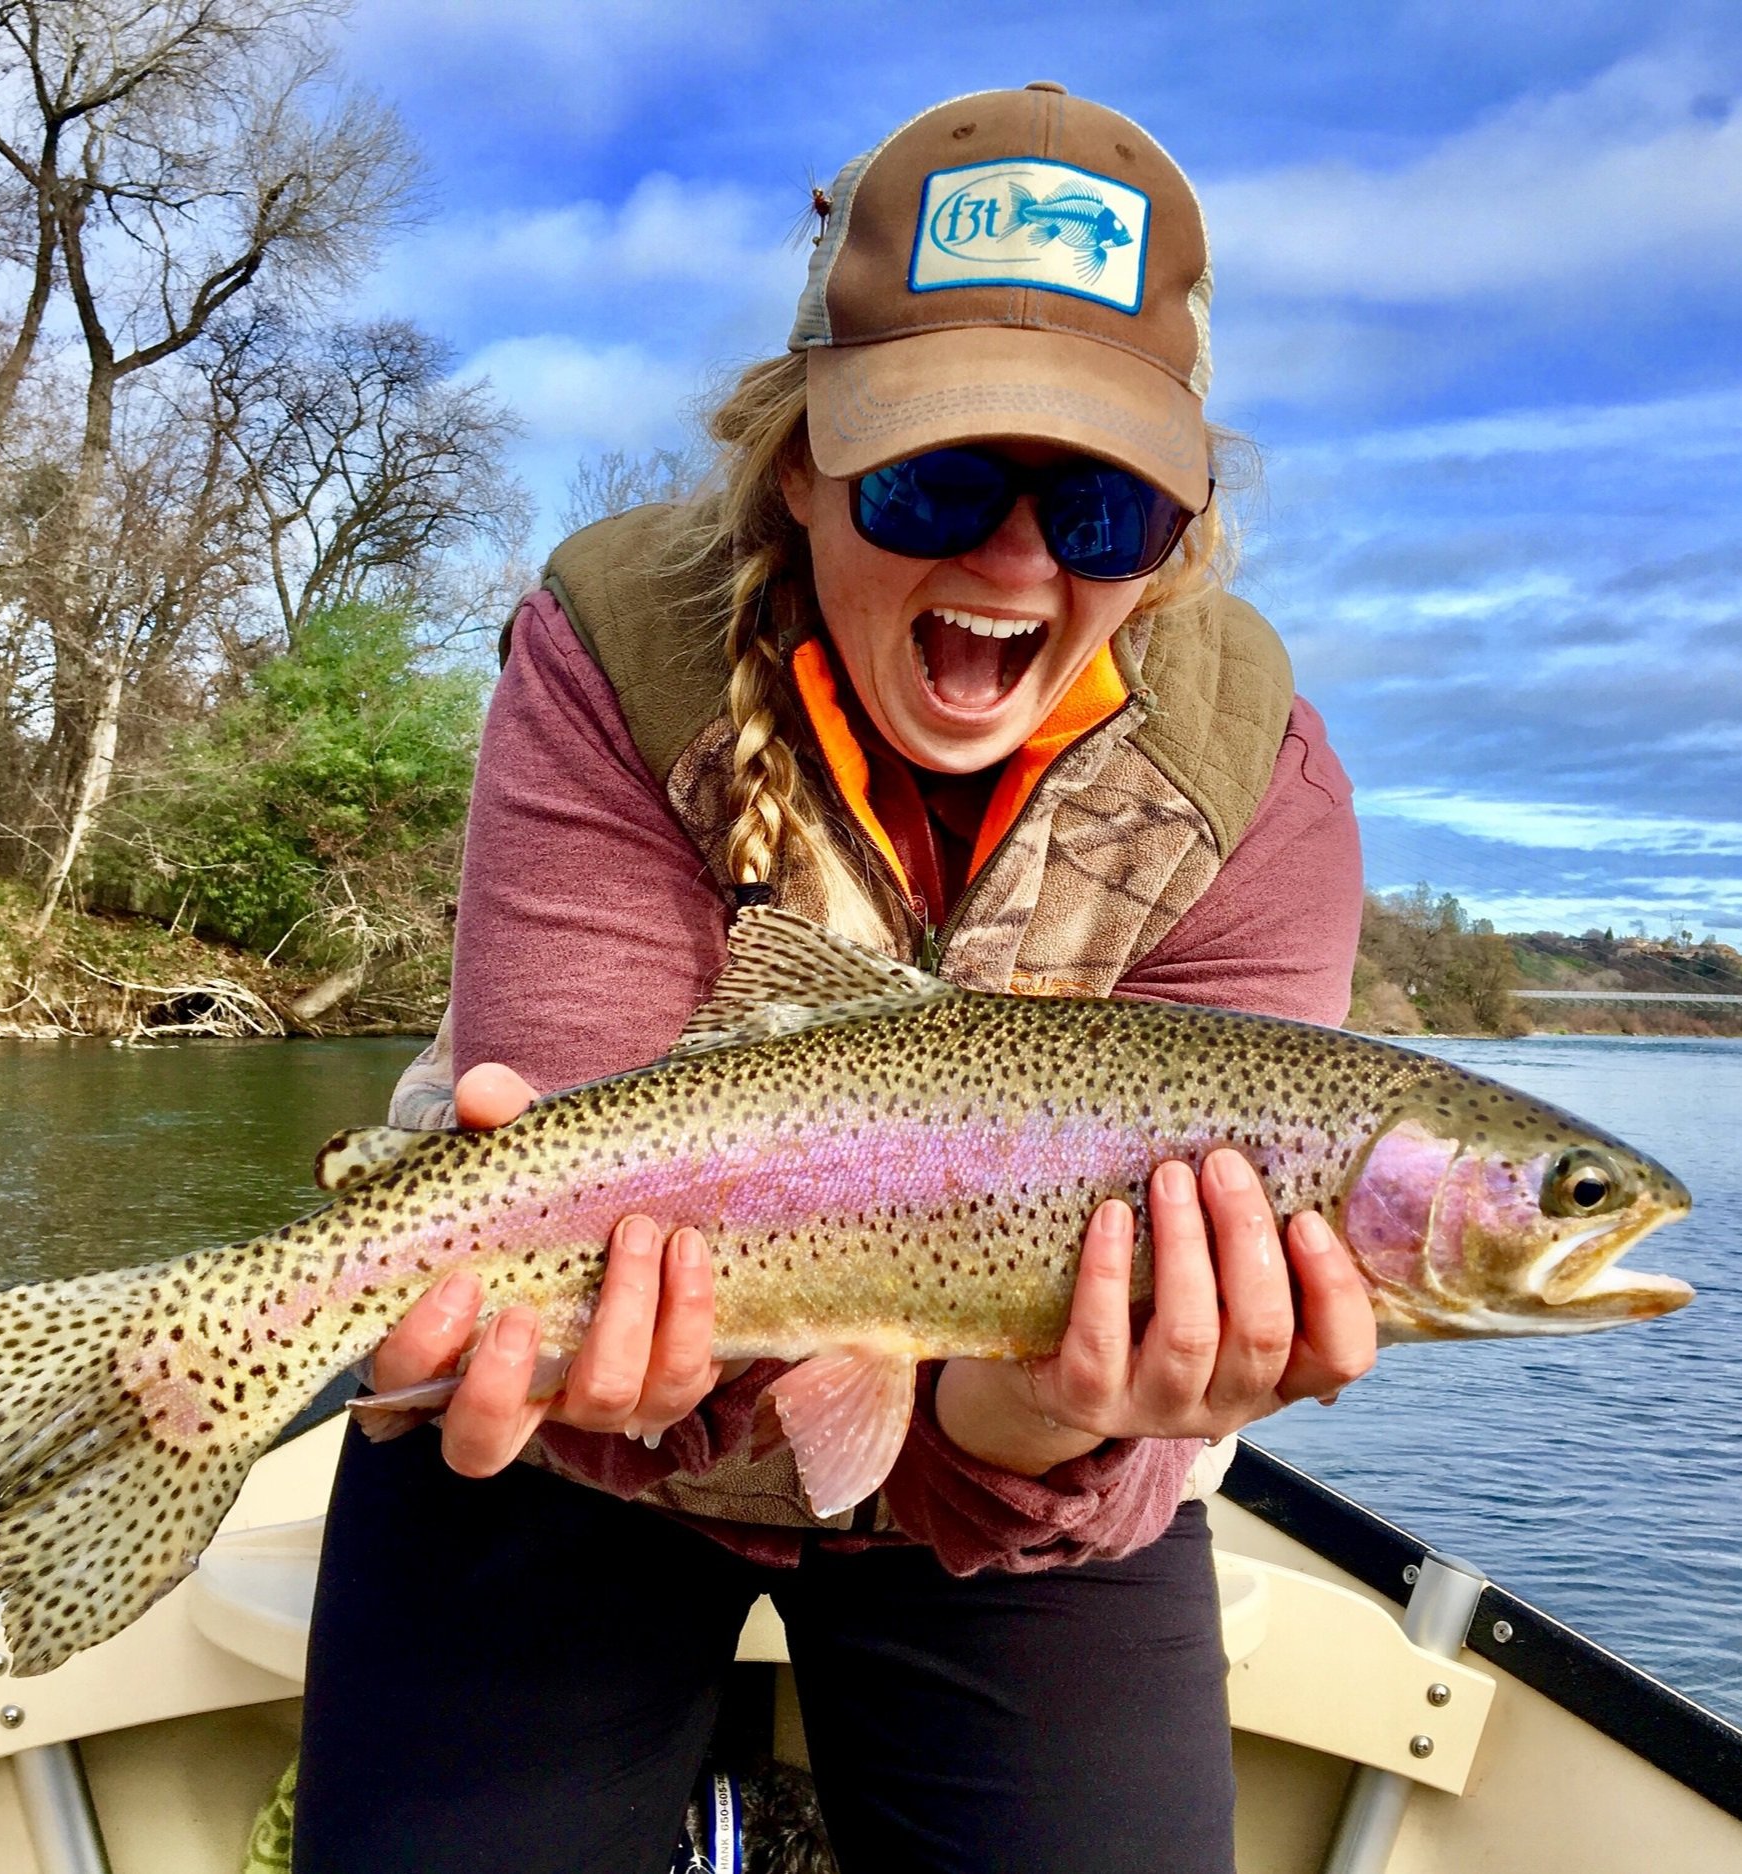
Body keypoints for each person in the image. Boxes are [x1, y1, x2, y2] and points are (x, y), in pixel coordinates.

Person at [294, 81, 1375, 1874]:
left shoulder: (1251, 770)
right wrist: (622, 1378)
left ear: (1176, 534)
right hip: (561, 1402)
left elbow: (1057, 1441)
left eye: (1103, 510)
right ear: (798, 460)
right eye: (939, 477)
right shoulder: (615, 644)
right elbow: (579, 1256)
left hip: (1026, 1468)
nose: (1015, 560)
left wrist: (1038, 1405)